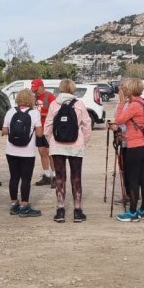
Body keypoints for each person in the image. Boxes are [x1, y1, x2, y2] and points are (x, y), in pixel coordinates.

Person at [44, 79, 92, 223]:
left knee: (60, 177)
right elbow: (87, 125)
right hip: (75, 145)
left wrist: (51, 141)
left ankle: (60, 210)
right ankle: (77, 210)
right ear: (73, 89)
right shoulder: (79, 104)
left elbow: (47, 127)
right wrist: (83, 141)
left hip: (57, 145)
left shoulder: (54, 104)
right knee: (76, 177)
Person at [109, 77, 144, 221]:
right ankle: (143, 211)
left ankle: (132, 213)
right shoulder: (143, 102)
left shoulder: (133, 105)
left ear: (131, 90)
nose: (123, 90)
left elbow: (118, 120)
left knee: (132, 180)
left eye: (125, 88)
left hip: (135, 147)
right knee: (143, 179)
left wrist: (121, 103)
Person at [2, 89, 43, 217]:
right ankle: (24, 206)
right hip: (27, 152)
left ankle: (14, 204)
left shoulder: (11, 112)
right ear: (31, 100)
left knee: (14, 177)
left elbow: (4, 131)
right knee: (26, 178)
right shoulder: (34, 113)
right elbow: (39, 133)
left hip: (11, 151)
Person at [31, 78, 58, 188]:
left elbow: (55, 114)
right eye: (33, 89)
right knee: (42, 152)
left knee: (50, 153)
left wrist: (39, 114)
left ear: (42, 86)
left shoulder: (50, 97)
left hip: (48, 129)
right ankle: (46, 175)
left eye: (36, 89)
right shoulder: (34, 98)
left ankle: (55, 176)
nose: (35, 91)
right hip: (38, 130)